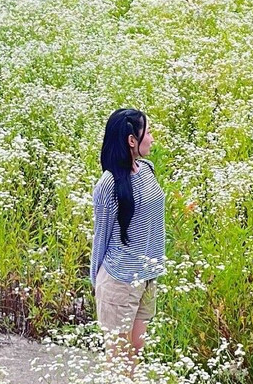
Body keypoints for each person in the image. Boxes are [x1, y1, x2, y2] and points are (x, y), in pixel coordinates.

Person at [91, 108, 166, 370]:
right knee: (118, 363)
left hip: (146, 278)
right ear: (132, 140)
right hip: (119, 283)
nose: (152, 138)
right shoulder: (108, 184)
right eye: (148, 131)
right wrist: (97, 285)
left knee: (135, 355)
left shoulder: (147, 169)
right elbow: (100, 237)